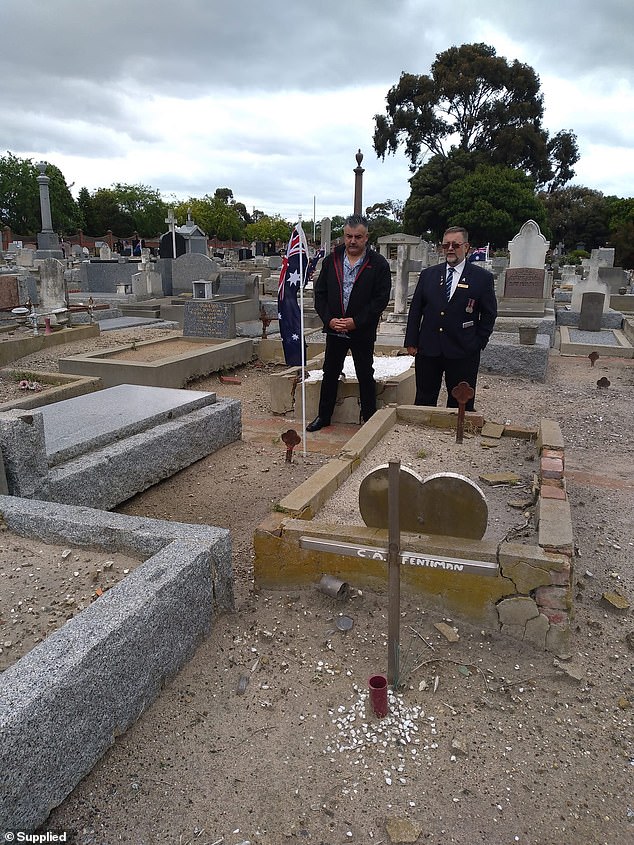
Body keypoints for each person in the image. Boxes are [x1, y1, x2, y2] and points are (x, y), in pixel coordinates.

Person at [306, 214, 391, 432]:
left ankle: (370, 418)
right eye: (348, 236)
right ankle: (324, 416)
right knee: (330, 372)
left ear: (366, 237)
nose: (352, 241)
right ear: (344, 236)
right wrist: (329, 319)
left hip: (361, 330)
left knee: (365, 372)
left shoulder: (378, 264)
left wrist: (356, 322)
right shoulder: (332, 260)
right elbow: (321, 293)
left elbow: (380, 299)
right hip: (335, 328)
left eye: (358, 237)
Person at [404, 226, 497, 412]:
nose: (450, 249)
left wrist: (478, 342)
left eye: (456, 244)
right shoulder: (428, 275)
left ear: (467, 247)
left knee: (461, 401)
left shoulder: (481, 278)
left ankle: (458, 433)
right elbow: (416, 310)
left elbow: (489, 314)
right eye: (446, 245)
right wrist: (412, 341)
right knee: (424, 398)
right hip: (429, 348)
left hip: (463, 349)